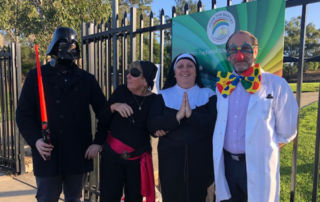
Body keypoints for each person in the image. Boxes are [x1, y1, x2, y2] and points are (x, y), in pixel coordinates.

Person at [16, 27, 107, 202]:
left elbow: (104, 112)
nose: (68, 49)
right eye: (64, 45)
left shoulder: (87, 79)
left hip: (78, 152)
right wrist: (36, 140)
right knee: (46, 198)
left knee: (74, 198)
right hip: (47, 153)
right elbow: (23, 114)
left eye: (72, 45)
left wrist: (98, 142)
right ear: (55, 46)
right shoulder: (36, 76)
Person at [213, 30, 299, 202]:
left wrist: (262, 148)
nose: (239, 55)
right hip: (227, 165)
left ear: (256, 51)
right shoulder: (222, 86)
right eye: (233, 50)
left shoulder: (276, 84)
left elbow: (288, 131)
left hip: (259, 165)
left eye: (245, 48)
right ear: (228, 56)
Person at [148, 53, 217, 202]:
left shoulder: (209, 95)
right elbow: (152, 124)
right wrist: (177, 117)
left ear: (196, 71)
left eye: (189, 66)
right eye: (180, 66)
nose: (185, 69)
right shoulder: (163, 96)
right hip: (170, 164)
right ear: (174, 72)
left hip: (202, 164)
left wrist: (191, 115)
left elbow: (213, 124)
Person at [94, 61, 157, 202]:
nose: (128, 76)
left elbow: (154, 128)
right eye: (128, 72)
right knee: (109, 197)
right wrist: (114, 106)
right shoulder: (121, 91)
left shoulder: (154, 100)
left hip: (138, 159)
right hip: (112, 158)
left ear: (146, 80)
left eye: (134, 73)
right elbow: (102, 117)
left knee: (135, 198)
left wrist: (160, 129)